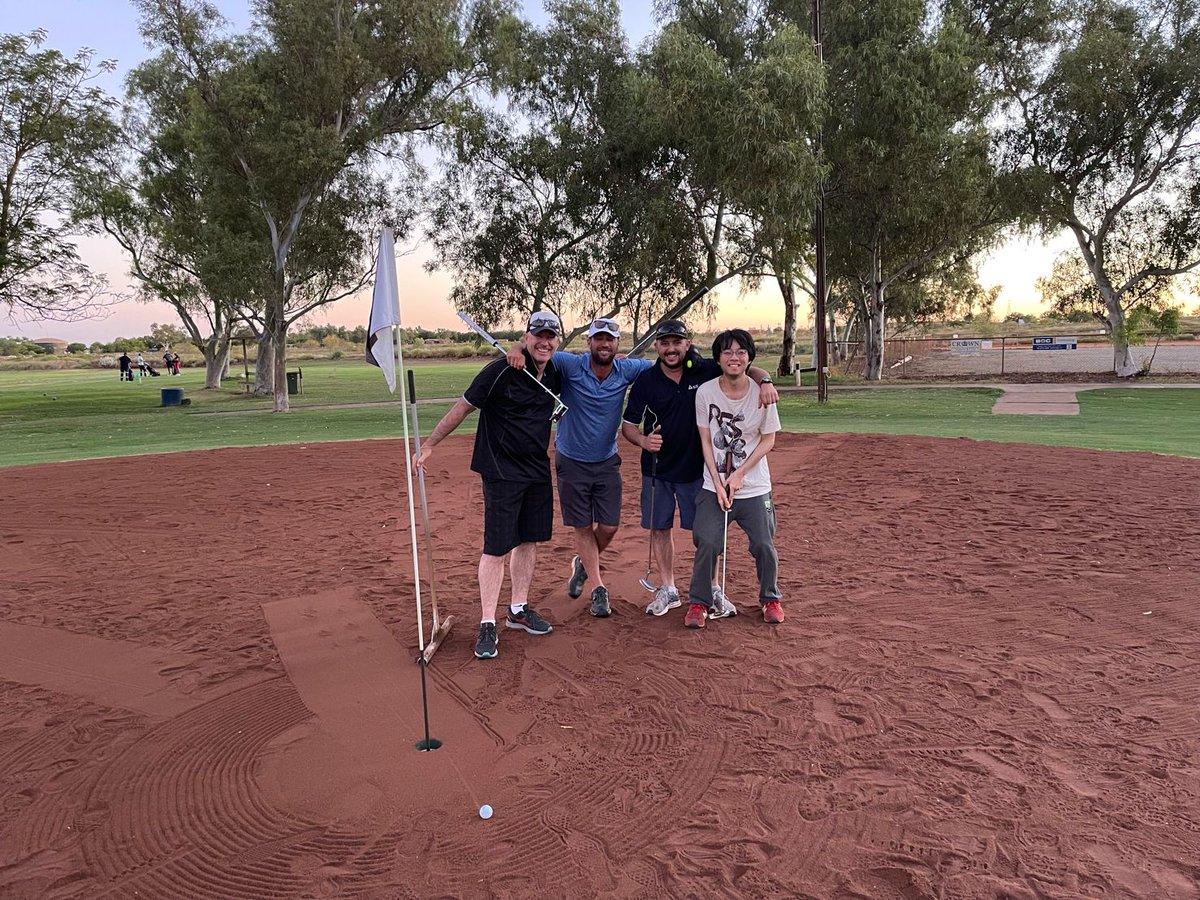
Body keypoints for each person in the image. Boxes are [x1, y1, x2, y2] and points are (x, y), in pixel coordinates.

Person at [414, 311, 565, 660]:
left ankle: (517, 609)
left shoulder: (556, 371)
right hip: (501, 470)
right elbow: (463, 407)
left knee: (528, 541)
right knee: (496, 547)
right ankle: (487, 622)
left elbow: (590, 363)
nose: (544, 341)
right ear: (526, 337)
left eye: (551, 336)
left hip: (536, 469)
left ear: (557, 340)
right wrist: (430, 443)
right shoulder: (500, 370)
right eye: (537, 335)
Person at [621, 320, 778, 618]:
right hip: (658, 469)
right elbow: (628, 425)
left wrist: (767, 380)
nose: (671, 348)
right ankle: (668, 588)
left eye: (676, 342)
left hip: (699, 469)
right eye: (664, 342)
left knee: (708, 534)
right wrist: (642, 440)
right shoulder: (646, 380)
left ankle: (713, 589)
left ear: (687, 342)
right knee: (659, 527)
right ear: (657, 345)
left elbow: (742, 367)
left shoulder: (704, 369)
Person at [508, 317, 651, 618]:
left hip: (606, 460)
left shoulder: (628, 369)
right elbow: (534, 347)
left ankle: (583, 563)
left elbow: (667, 363)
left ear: (617, 343)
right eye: (598, 338)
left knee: (609, 526)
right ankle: (598, 587)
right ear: (589, 343)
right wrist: (516, 349)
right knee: (583, 525)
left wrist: (759, 375)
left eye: (609, 339)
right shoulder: (570, 364)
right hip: (571, 459)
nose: (604, 344)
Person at [686, 329, 784, 629]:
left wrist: (739, 475)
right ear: (717, 358)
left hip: (754, 487)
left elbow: (768, 440)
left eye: (741, 352)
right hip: (712, 485)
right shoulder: (705, 393)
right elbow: (705, 439)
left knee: (764, 545)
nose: (734, 357)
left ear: (749, 358)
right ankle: (699, 603)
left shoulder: (762, 394)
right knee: (707, 542)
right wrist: (717, 483)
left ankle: (770, 598)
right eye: (727, 352)